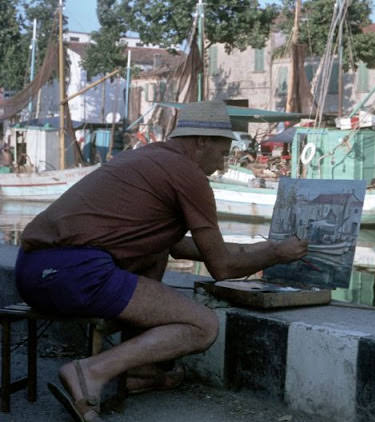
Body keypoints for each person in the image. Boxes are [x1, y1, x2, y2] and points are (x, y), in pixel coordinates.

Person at [14, 101, 308, 422]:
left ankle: (140, 372)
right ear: (202, 142)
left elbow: (181, 247)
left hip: (33, 272)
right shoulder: (189, 175)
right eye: (223, 153)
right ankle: (90, 372)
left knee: (155, 251)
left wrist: (264, 248)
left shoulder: (145, 156)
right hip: (75, 273)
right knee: (202, 325)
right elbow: (222, 267)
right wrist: (277, 254)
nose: (223, 165)